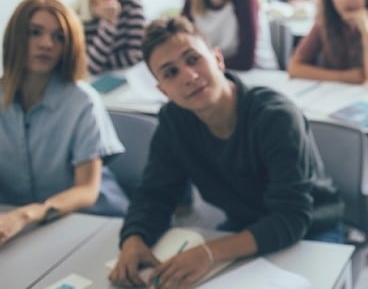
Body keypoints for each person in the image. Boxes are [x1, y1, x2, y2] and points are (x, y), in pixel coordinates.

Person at [109, 16, 342, 288]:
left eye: (193, 59)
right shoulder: (174, 121)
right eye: (170, 72)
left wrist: (210, 253)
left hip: (311, 229)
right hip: (244, 226)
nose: (188, 76)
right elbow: (155, 193)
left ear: (218, 59)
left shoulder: (275, 116)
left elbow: (291, 217)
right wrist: (133, 238)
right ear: (163, 90)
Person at [0, 0, 129, 245]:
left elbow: (87, 190)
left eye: (59, 37)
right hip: (23, 229)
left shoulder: (82, 101)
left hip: (92, 220)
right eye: (34, 32)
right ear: (16, 37)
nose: (47, 44)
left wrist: (28, 214)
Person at [74, 0, 146, 74]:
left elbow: (136, 55)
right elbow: (89, 68)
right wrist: (108, 23)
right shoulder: (78, 18)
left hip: (132, 78)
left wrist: (102, 63)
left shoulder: (131, 5)